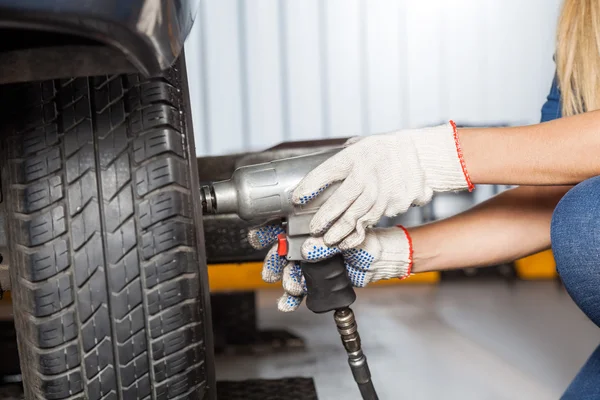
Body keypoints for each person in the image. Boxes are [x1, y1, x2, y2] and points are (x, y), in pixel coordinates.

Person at [248, 0, 600, 397]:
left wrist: (426, 157)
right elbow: (554, 191)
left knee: (589, 220)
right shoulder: (584, 18)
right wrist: (389, 252)